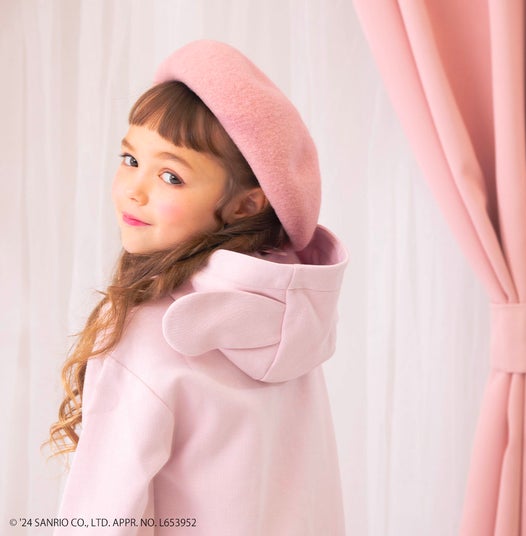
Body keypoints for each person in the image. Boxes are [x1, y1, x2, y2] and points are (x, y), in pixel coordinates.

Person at [49, 40, 348, 535]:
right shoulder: (287, 319)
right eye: (129, 159)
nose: (134, 190)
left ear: (246, 204)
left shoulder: (146, 332)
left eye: (171, 176)